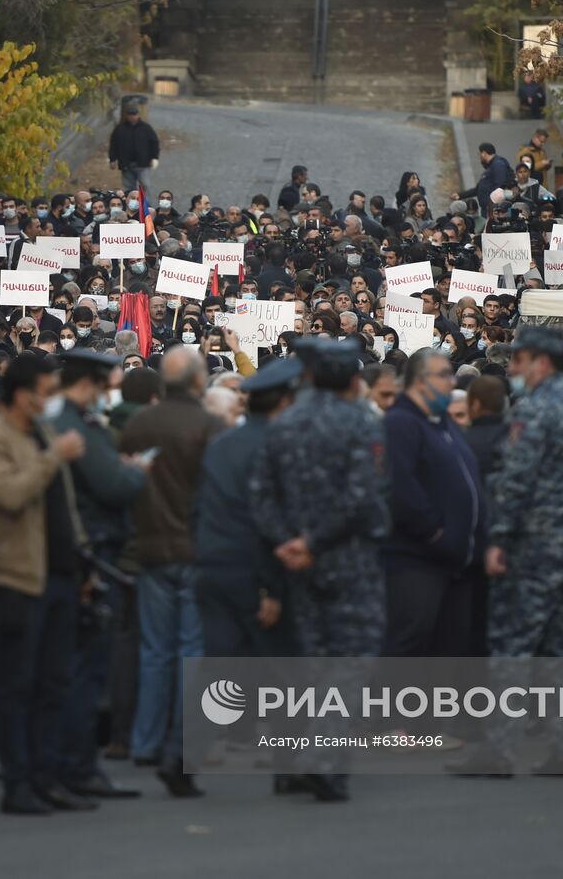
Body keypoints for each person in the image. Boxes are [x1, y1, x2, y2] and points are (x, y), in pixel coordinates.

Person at [450, 326, 563, 777]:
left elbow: (516, 481)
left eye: (518, 361)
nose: (514, 370)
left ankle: (498, 749)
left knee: (511, 649)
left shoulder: (535, 411)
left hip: (536, 546)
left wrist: (499, 539)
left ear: (540, 362)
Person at [251, 339, 389, 801]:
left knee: (313, 666)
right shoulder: (358, 422)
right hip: (348, 558)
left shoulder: (282, 423)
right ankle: (321, 760)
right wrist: (312, 542)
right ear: (352, 379)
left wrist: (288, 543)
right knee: (351, 663)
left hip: (297, 561)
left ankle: (310, 763)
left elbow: (261, 495)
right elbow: (362, 497)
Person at [0, 353, 90, 815]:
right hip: (18, 577)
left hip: (59, 575)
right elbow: (10, 495)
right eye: (45, 391)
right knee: (18, 685)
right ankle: (17, 784)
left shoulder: (42, 433)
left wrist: (82, 562)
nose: (51, 400)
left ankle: (48, 777)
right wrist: (51, 458)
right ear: (22, 394)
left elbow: (65, 505)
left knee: (54, 684)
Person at [118, 347, 225, 797]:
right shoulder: (209, 426)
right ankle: (181, 745)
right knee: (192, 654)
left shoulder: (138, 424)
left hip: (150, 547)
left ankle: (145, 742)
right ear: (199, 383)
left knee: (154, 651)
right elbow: (218, 492)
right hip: (194, 549)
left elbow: (126, 485)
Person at [49, 350, 148, 799]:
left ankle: (74, 767)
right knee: (85, 670)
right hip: (92, 551)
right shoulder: (77, 425)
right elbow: (113, 484)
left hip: (88, 550)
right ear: (88, 384)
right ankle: (76, 768)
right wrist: (138, 471)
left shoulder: (71, 422)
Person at [194, 358, 303, 661]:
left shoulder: (221, 443)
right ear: (284, 402)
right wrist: (272, 589)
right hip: (253, 575)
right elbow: (266, 520)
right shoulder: (278, 447)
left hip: (212, 567)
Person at [381, 349, 486, 658]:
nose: (450, 381)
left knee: (447, 650)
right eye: (442, 375)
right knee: (410, 648)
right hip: (417, 559)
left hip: (455, 560)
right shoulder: (400, 422)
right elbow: (401, 486)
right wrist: (435, 533)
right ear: (420, 381)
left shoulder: (442, 424)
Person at [108, 102, 160, 192]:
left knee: (145, 185)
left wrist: (154, 157)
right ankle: (131, 205)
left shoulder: (146, 128)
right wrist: (112, 159)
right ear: (127, 116)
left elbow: (154, 143)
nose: (132, 117)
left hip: (143, 163)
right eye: (130, 115)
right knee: (129, 188)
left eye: (134, 114)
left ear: (138, 115)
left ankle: (144, 204)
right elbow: (113, 145)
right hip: (126, 163)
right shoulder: (120, 129)